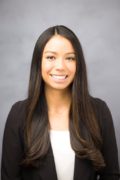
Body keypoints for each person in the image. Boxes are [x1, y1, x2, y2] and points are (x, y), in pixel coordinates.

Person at [1, 25, 120, 180]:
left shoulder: (99, 111)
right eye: (51, 57)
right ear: (39, 62)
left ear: (78, 64)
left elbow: (111, 175)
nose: (60, 67)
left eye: (70, 58)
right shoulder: (18, 114)